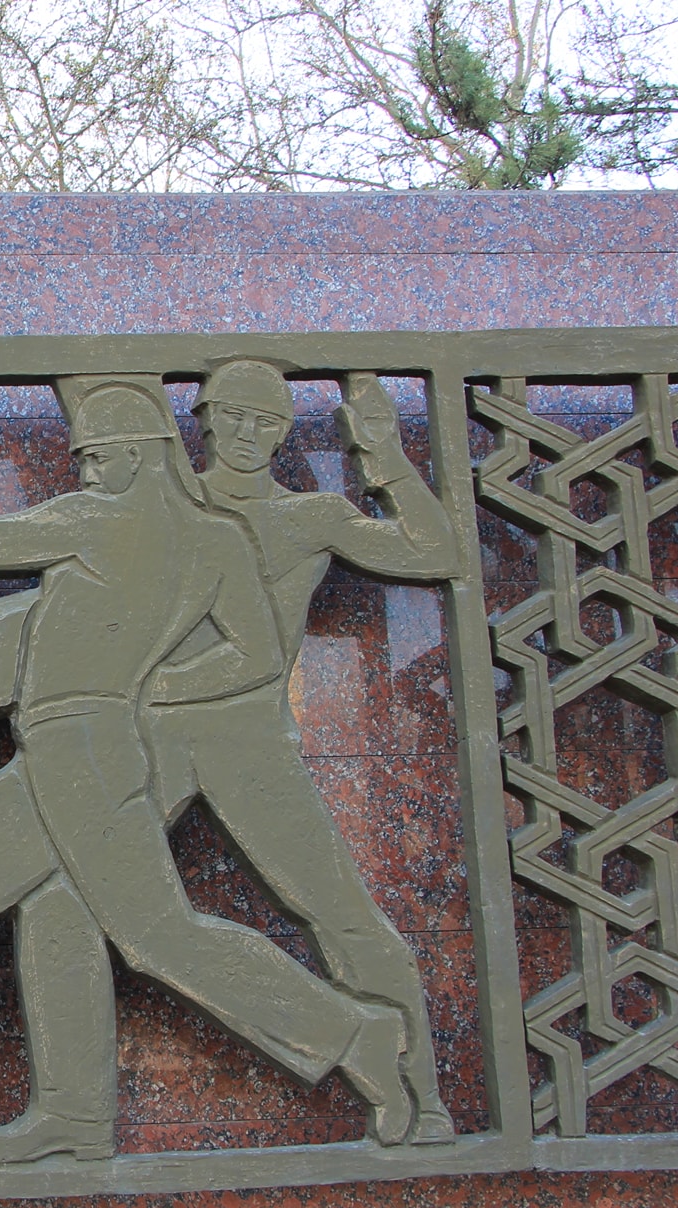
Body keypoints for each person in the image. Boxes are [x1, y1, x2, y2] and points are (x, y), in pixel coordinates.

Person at [0, 381, 414, 1172]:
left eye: (98, 457)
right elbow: (255, 656)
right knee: (110, 923)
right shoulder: (215, 540)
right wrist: (153, 686)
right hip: (104, 743)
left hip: (72, 749)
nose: (86, 471)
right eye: (85, 459)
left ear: (140, 455)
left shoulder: (97, 520)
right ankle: (75, 1116)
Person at [144, 361, 458, 1144]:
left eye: (266, 422)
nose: (247, 434)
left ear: (284, 433)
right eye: (233, 417)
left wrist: (383, 453)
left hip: (249, 743)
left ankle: (424, 1095)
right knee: (89, 901)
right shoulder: (163, 506)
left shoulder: (311, 516)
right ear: (204, 422)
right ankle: (71, 1113)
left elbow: (434, 552)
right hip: (153, 738)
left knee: (340, 914)